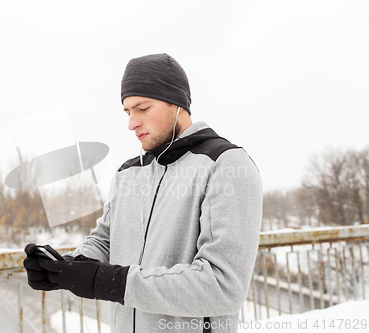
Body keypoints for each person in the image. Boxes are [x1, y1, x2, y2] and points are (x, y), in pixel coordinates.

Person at [24, 53, 263, 333]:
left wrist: (108, 281)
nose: (131, 123)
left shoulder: (226, 165)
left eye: (142, 108)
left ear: (177, 103)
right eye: (127, 112)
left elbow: (223, 286)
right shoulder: (129, 173)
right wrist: (70, 268)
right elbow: (106, 239)